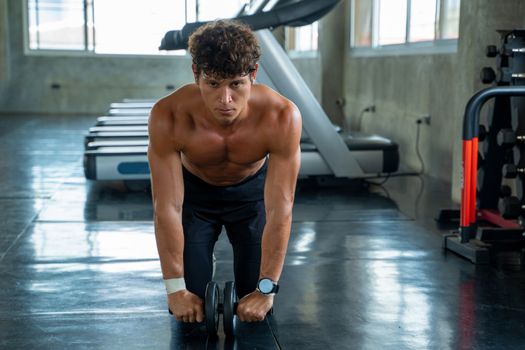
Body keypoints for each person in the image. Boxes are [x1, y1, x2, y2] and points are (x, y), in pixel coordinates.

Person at [147, 19, 301, 324]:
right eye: (213, 84)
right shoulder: (169, 115)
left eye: (236, 84)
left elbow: (280, 209)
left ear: (253, 74)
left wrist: (267, 289)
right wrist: (174, 289)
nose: (225, 99)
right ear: (196, 75)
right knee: (190, 301)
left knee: (255, 299)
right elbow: (166, 207)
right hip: (195, 196)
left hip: (250, 196)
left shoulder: (281, 116)